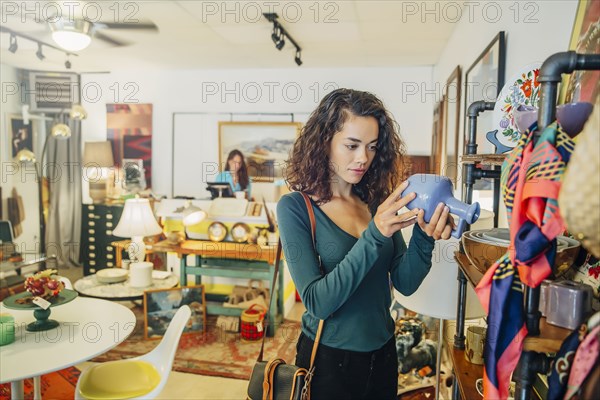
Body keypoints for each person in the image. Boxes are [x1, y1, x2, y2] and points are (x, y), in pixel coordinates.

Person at [276, 88, 454, 399]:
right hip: (329, 360)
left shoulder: (375, 201)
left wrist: (426, 235)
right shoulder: (295, 208)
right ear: (324, 142)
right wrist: (375, 234)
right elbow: (318, 302)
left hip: (384, 354)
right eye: (352, 145)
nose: (363, 158)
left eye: (372, 147)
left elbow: (405, 282)